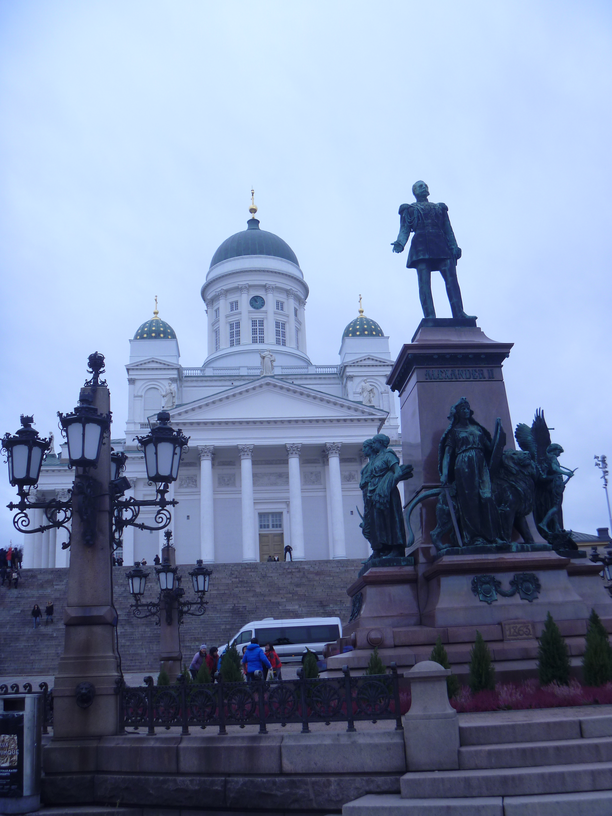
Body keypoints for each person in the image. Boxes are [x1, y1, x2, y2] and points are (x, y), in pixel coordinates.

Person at [392, 181, 474, 320]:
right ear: (415, 192)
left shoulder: (439, 208)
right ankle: (430, 316)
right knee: (424, 283)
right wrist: (400, 243)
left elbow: (448, 229)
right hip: (420, 246)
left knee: (451, 280)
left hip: (441, 244)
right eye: (420, 186)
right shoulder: (410, 209)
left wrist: (454, 245)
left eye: (425, 186)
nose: (424, 187)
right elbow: (404, 229)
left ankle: (459, 313)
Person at [438, 397, 502, 547]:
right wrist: (445, 473)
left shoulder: (477, 429)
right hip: (464, 464)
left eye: (467, 409)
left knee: (487, 497)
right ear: (458, 413)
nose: (466, 411)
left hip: (481, 464)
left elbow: (490, 447)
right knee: (470, 501)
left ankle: (492, 535)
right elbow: (447, 454)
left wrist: (499, 431)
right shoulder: (454, 431)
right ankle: (474, 537)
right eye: (463, 409)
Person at [360, 434, 412, 559]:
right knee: (379, 522)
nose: (373, 445)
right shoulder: (377, 459)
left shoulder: (389, 455)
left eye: (374, 443)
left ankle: (395, 548)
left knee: (391, 520)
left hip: (387, 494)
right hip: (376, 494)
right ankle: (382, 549)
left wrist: (386, 486)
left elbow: (397, 472)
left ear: (380, 443)